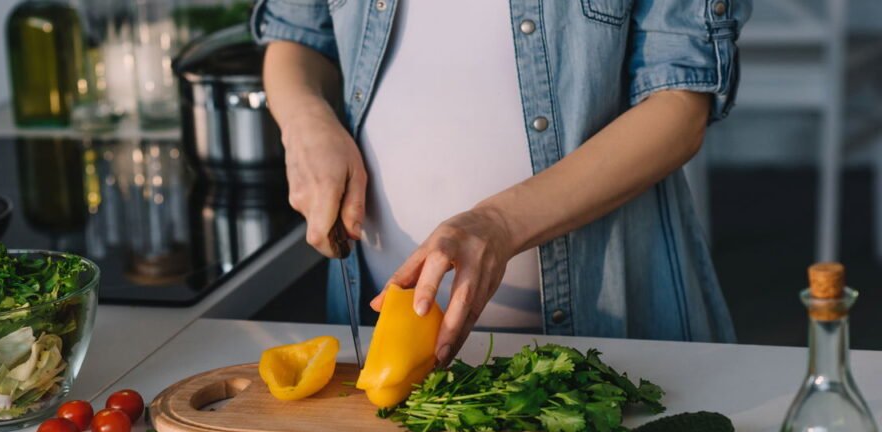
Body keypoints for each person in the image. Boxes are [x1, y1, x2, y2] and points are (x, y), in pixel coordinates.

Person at [252, 0, 750, 365]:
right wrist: (305, 121)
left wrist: (499, 224)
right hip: (374, 341)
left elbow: (680, 108)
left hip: (612, 336)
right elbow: (298, 33)